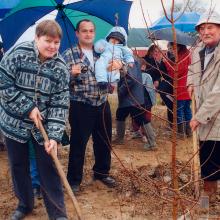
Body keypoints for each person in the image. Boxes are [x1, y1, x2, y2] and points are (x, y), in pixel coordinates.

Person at [0, 20, 69, 220]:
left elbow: (60, 104)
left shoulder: (60, 68)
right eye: (48, 41)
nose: (52, 46)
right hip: (13, 123)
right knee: (18, 166)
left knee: (49, 169)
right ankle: (25, 204)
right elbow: (3, 84)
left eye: (56, 43)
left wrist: (54, 137)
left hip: (44, 127)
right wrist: (28, 107)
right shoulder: (17, 54)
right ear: (37, 38)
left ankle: (58, 214)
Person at [62, 19, 120, 193]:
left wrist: (117, 68)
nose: (88, 34)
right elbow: (59, 81)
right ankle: (74, 180)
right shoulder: (68, 54)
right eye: (84, 31)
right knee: (78, 144)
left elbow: (115, 73)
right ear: (77, 34)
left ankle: (101, 173)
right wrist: (70, 73)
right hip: (81, 106)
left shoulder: (101, 52)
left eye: (91, 31)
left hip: (102, 103)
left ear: (95, 33)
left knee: (104, 141)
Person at [187, 11, 220, 202]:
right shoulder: (199, 50)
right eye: (202, 28)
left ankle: (207, 200)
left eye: (210, 27)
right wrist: (190, 82)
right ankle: (208, 199)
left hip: (214, 115)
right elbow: (192, 69)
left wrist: (200, 116)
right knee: (207, 159)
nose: (205, 32)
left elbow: (218, 92)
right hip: (202, 114)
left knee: (214, 157)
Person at [113, 57, 156, 150]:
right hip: (127, 98)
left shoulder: (130, 61)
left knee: (142, 119)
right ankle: (119, 139)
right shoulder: (124, 60)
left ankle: (152, 143)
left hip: (133, 98)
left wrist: (121, 90)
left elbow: (131, 79)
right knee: (120, 115)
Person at [165, 42, 192, 137]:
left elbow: (175, 73)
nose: (172, 50)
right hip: (188, 88)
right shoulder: (187, 54)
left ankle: (181, 132)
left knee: (179, 110)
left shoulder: (182, 57)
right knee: (187, 109)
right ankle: (188, 131)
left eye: (173, 48)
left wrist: (168, 63)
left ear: (178, 46)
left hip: (181, 87)